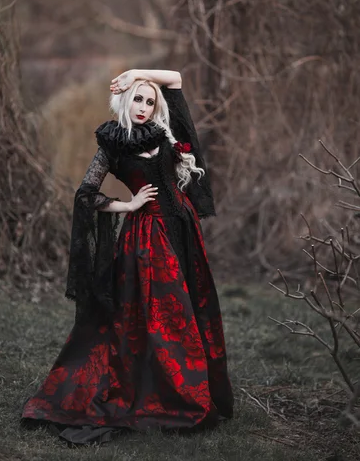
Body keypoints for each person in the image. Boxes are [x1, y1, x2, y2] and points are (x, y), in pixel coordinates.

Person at [21, 69, 234, 444]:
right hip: (148, 241)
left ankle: (194, 391)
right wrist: (129, 204)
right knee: (168, 316)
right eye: (138, 98)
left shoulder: (165, 134)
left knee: (193, 308)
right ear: (125, 101)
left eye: (150, 102)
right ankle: (176, 397)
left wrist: (138, 73)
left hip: (184, 233)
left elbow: (177, 78)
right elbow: (85, 195)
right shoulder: (113, 144)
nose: (144, 107)